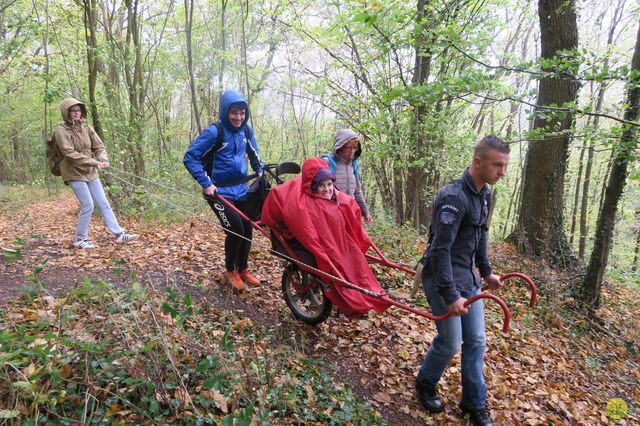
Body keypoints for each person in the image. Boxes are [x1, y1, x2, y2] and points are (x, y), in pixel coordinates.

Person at [415, 136, 510, 426]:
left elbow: (480, 235)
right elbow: (440, 250)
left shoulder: (485, 194)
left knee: (477, 341)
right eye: (497, 165)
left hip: (467, 276)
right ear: (478, 162)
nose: (502, 172)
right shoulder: (453, 197)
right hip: (441, 277)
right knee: (450, 342)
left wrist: (487, 270)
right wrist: (451, 295)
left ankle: (473, 403)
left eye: (505, 166)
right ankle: (425, 383)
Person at [261, 157, 390, 318]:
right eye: (321, 186)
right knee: (342, 267)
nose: (327, 189)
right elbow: (308, 233)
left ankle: (367, 292)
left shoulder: (336, 198)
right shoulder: (306, 205)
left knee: (355, 262)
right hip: (325, 245)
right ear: (313, 187)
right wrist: (325, 258)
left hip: (340, 242)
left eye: (329, 184)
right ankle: (354, 297)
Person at [183, 90, 263, 292]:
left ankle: (242, 269)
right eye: (234, 112)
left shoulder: (246, 131)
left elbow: (254, 153)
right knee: (235, 229)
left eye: (242, 113)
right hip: (218, 192)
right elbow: (190, 157)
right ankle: (230, 271)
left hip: (241, 189)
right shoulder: (214, 132)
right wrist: (206, 183)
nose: (238, 117)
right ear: (226, 111)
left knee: (247, 227)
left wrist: (260, 171)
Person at [55, 98, 138, 249]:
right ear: (66, 113)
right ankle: (80, 239)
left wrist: (103, 159)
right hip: (73, 172)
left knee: (104, 203)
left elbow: (99, 147)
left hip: (90, 171)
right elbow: (68, 153)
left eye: (78, 110)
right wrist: (94, 162)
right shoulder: (61, 130)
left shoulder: (87, 127)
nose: (76, 113)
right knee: (88, 205)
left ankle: (119, 235)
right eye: (73, 111)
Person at [322, 129, 372, 223]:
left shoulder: (354, 165)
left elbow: (357, 191)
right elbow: (318, 190)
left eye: (355, 148)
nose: (352, 151)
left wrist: (365, 212)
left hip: (350, 210)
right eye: (349, 147)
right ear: (340, 146)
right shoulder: (328, 162)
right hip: (332, 213)